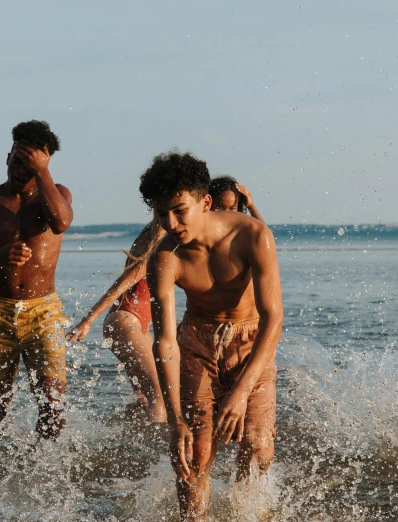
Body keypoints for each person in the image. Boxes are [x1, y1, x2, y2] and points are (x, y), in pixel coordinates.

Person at [141, 151, 282, 521]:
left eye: (179, 210)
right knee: (194, 455)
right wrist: (175, 423)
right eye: (161, 214)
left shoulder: (252, 235)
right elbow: (166, 341)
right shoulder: (165, 258)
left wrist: (241, 391)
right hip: (197, 342)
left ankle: (246, 507)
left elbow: (274, 318)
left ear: (205, 202)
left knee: (257, 445)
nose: (171, 223)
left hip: (251, 341)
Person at [0, 120, 73, 445]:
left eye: (33, 164)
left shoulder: (57, 195)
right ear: (7, 156)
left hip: (44, 312)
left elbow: (61, 222)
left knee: (52, 404)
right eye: (19, 161)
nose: (23, 171)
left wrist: (43, 173)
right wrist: (0, 254)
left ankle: (43, 471)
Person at [67, 221, 167, 422]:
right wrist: (88, 320)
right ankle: (156, 449)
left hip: (133, 324)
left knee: (145, 400)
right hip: (126, 322)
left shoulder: (157, 243)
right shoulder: (152, 252)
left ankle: (121, 436)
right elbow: (121, 284)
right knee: (160, 396)